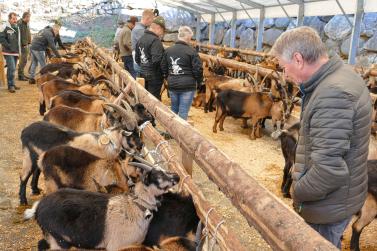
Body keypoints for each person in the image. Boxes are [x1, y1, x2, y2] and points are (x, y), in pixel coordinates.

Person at [270, 26, 372, 249]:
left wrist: (298, 191)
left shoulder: (333, 94)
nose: (285, 74)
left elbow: (328, 171)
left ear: (298, 59)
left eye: (284, 67)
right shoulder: (342, 75)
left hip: (327, 206)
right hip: (340, 198)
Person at [161, 26, 203, 120]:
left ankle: (171, 132)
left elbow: (163, 67)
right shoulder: (192, 51)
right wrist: (199, 82)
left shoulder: (168, 50)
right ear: (188, 38)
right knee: (183, 112)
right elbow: (198, 69)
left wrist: (168, 77)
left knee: (173, 110)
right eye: (190, 38)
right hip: (188, 86)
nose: (190, 40)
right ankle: (179, 134)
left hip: (173, 84)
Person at [135, 16, 165, 100]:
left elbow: (137, 58)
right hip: (154, 77)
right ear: (158, 28)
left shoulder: (141, 39)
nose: (162, 33)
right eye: (163, 31)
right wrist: (162, 73)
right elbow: (157, 60)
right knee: (153, 100)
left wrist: (144, 66)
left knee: (145, 98)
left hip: (143, 73)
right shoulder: (155, 41)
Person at [0, 12, 20, 93]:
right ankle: (10, 85)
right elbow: (1, 38)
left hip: (15, 51)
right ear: (9, 19)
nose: (15, 20)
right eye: (13, 19)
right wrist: (8, 46)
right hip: (8, 52)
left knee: (14, 68)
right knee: (11, 68)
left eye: (16, 19)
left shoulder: (16, 27)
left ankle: (12, 83)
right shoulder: (4, 26)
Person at [131, 9, 154, 77]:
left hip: (140, 61)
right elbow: (148, 44)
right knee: (141, 84)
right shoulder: (140, 30)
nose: (152, 22)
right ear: (147, 18)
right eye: (151, 20)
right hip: (140, 62)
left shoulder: (141, 28)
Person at [17, 11, 31, 81]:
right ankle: (20, 75)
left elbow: (27, 33)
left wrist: (28, 42)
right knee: (23, 60)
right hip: (22, 46)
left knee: (24, 60)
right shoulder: (20, 23)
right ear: (25, 17)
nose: (29, 19)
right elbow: (19, 36)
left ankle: (22, 74)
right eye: (29, 17)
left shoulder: (26, 23)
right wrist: (23, 44)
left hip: (26, 44)